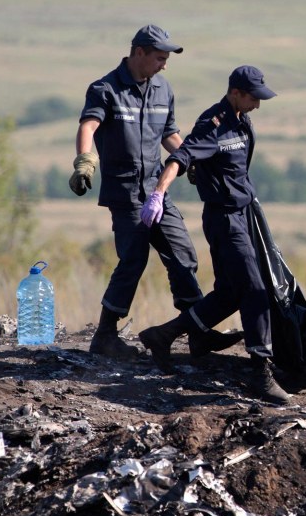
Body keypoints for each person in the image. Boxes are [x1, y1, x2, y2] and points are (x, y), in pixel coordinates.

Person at [70, 24, 240, 360]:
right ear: (139, 53)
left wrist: (192, 162)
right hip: (125, 191)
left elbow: (170, 134)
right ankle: (104, 335)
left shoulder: (164, 89)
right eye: (159, 58)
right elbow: (88, 125)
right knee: (133, 259)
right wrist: (85, 161)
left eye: (166, 59)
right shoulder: (106, 89)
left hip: (156, 190)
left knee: (183, 255)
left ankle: (197, 333)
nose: (164, 65)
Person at [137, 65, 290, 404]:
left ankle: (163, 335)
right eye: (253, 97)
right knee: (255, 289)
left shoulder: (241, 119)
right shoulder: (213, 124)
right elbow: (181, 156)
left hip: (243, 215)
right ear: (235, 92)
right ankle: (260, 371)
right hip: (224, 220)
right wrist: (159, 193)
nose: (258, 105)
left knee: (230, 293)